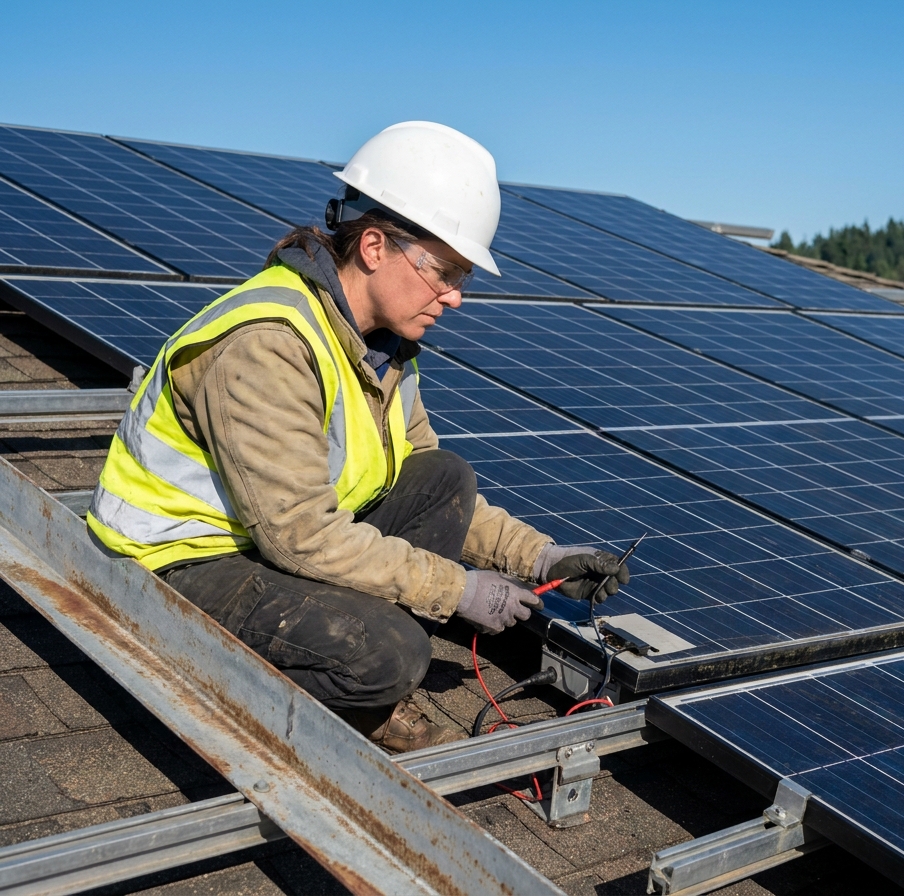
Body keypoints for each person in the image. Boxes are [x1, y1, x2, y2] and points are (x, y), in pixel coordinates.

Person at [86, 121, 630, 752]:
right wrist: (456, 590)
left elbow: (418, 477)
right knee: (390, 654)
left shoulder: (385, 351)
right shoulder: (269, 343)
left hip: (264, 541)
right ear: (374, 247)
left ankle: (350, 665)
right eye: (444, 272)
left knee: (444, 479)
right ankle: (260, 690)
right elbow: (300, 535)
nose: (455, 298)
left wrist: (539, 559)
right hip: (175, 562)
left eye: (462, 278)